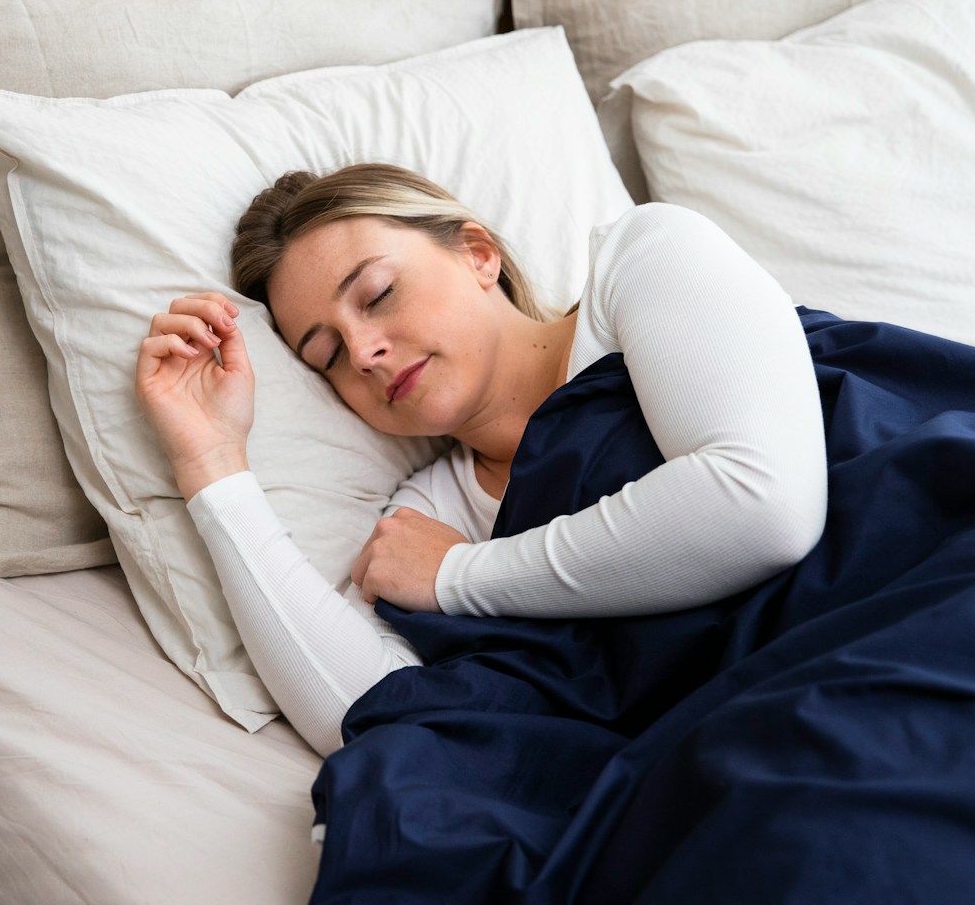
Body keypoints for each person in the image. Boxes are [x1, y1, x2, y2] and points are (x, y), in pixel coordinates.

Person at [134, 163, 828, 756]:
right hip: (750, 723)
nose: (366, 352)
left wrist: (459, 575)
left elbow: (768, 506)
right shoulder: (428, 514)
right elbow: (363, 711)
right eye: (329, 355)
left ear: (477, 253)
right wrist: (213, 464)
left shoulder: (644, 262)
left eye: (377, 295)